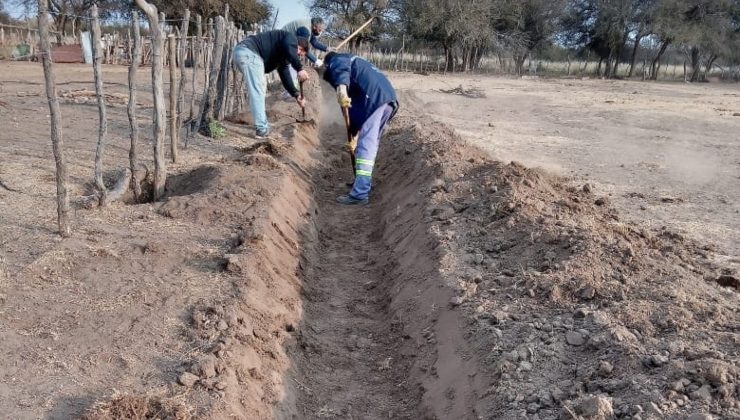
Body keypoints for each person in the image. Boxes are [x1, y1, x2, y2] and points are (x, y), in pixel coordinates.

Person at [321, 52, 399, 205]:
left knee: (366, 147)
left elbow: (340, 69)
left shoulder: (337, 59)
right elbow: (354, 109)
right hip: (388, 100)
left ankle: (360, 194)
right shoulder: (357, 64)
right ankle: (362, 181)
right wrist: (354, 134)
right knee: (371, 144)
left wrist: (341, 88)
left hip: (374, 100)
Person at [232, 29, 310, 138]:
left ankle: (262, 124)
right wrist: (300, 68)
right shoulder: (290, 38)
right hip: (249, 53)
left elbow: (285, 74)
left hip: (245, 54)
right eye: (300, 54)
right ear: (299, 47)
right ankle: (262, 129)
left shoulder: (283, 54)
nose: (298, 57)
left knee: (260, 89)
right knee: (258, 91)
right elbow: (289, 46)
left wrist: (296, 94)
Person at [281, 17, 332, 99]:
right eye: (320, 30)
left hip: (287, 42)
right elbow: (303, 47)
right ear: (315, 26)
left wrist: (327, 48)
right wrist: (316, 60)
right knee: (291, 64)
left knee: (293, 63)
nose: (320, 32)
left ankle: (288, 91)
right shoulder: (305, 30)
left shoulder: (310, 28)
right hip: (282, 43)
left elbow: (314, 42)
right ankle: (288, 92)